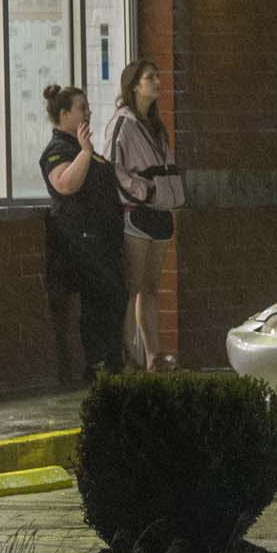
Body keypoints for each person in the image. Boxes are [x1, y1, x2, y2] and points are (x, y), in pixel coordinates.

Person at [38, 84, 127, 383]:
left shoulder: (81, 148)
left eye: (88, 107)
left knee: (115, 297)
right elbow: (66, 184)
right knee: (99, 301)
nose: (88, 112)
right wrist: (86, 152)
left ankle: (115, 361)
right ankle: (97, 363)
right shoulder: (58, 151)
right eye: (81, 108)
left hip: (105, 240)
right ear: (64, 114)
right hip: (82, 241)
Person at [103, 60, 182, 371]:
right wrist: (143, 191)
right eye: (150, 77)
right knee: (133, 285)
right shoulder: (123, 123)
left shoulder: (156, 126)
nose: (157, 82)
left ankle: (152, 355)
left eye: (157, 76)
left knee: (150, 286)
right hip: (137, 212)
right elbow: (113, 167)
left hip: (160, 211)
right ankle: (125, 355)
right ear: (134, 85)